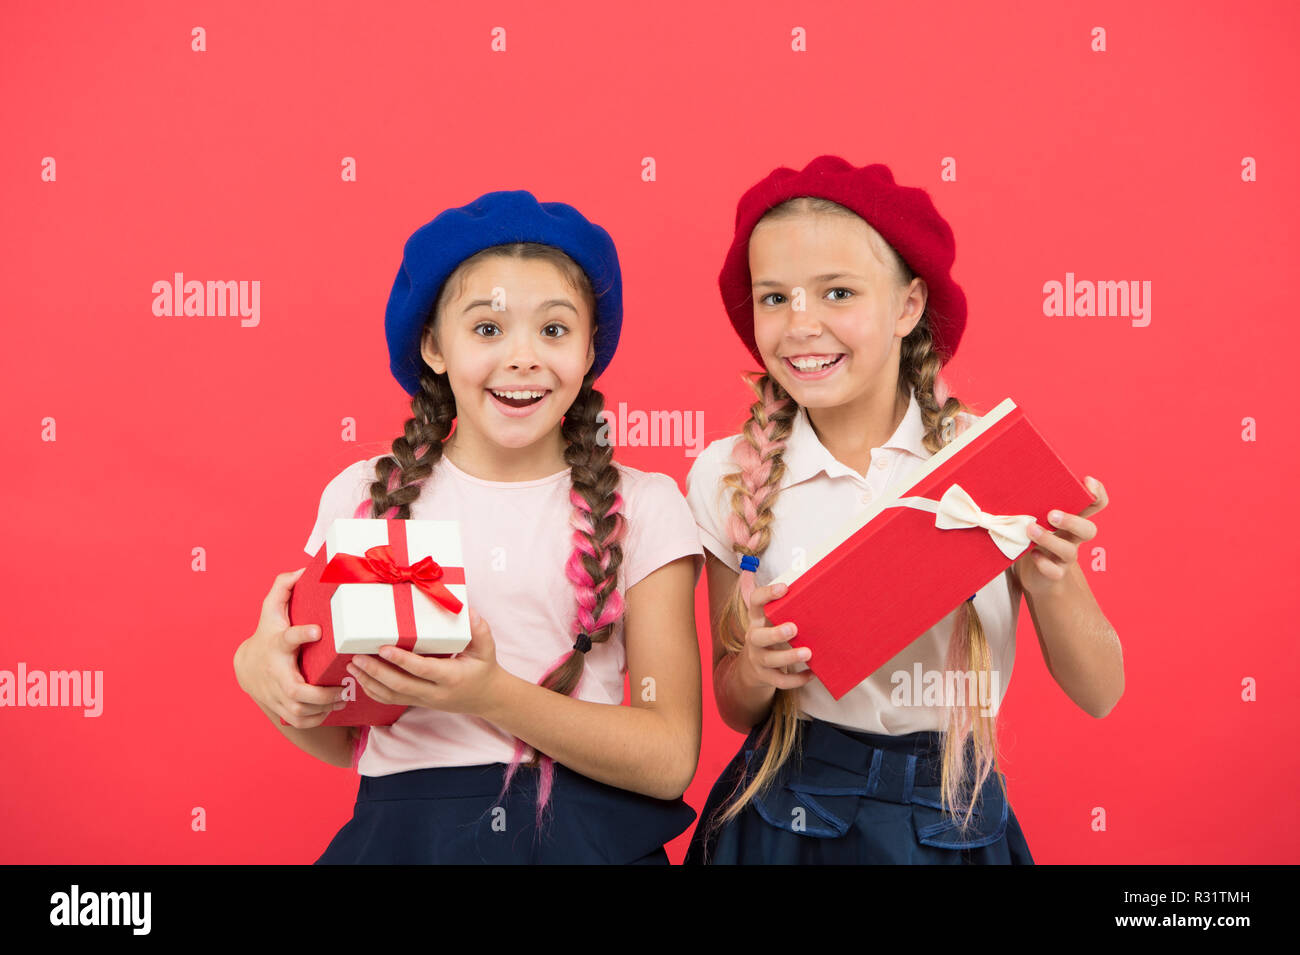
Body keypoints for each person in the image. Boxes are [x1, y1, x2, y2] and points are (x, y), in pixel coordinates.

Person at [234, 190, 703, 864]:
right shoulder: (367, 497)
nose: (522, 357)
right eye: (487, 328)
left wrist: (491, 694)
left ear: (590, 345)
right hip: (407, 839)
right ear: (433, 344)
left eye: (554, 329)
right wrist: (270, 681)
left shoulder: (647, 505)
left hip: (581, 840)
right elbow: (342, 740)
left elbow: (667, 758)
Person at [683, 155, 1124, 864]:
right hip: (786, 822)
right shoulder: (726, 476)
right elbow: (735, 704)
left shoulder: (989, 465)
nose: (801, 324)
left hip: (950, 822)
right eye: (775, 298)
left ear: (908, 307)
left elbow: (1101, 691)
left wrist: (1053, 577)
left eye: (837, 293)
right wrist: (759, 669)